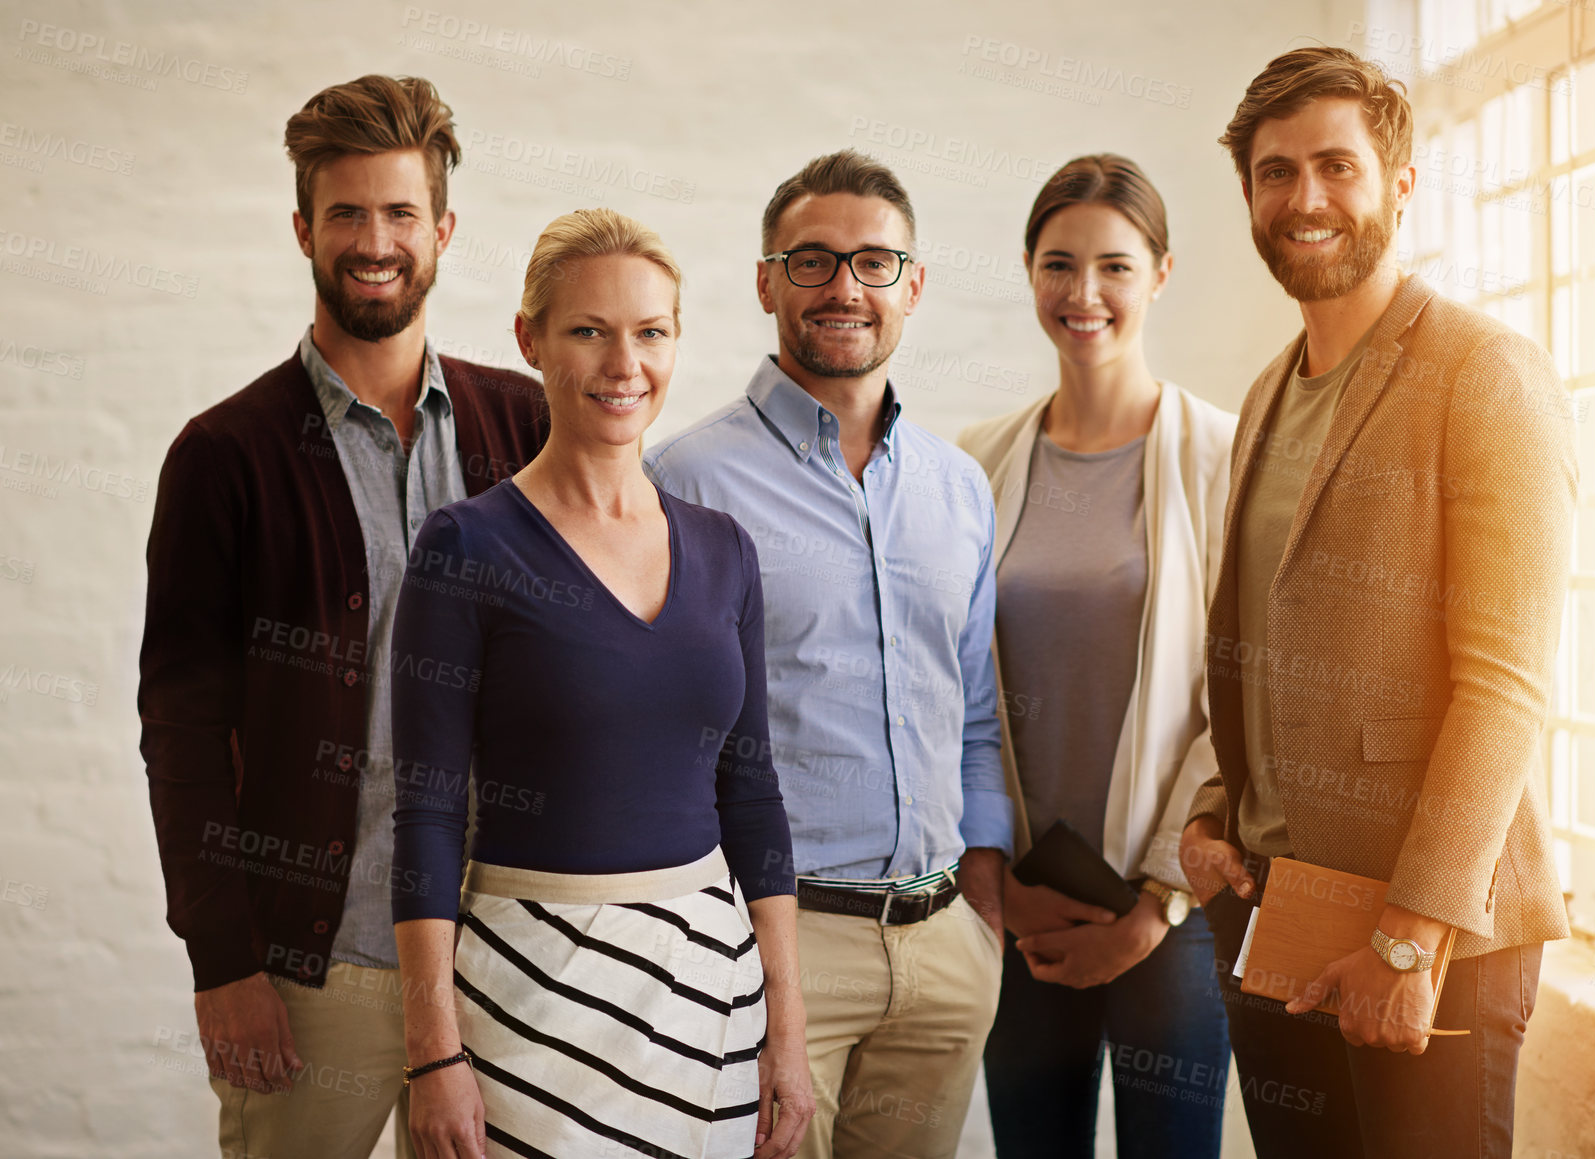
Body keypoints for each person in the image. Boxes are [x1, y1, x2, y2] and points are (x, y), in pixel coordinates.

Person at [137, 74, 547, 1159]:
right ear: (303, 230)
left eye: (400, 212)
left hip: (508, 957)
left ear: (443, 228)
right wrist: (222, 961)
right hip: (321, 966)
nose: (376, 241)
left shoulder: (527, 422)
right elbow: (179, 732)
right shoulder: (225, 456)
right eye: (348, 214)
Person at [1178, 46, 1577, 1159]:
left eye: (1335, 166)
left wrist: (1409, 939)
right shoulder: (1266, 390)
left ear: (1400, 184)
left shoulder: (1485, 373)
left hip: (1428, 933)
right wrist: (1217, 808)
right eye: (1273, 173)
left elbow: (1506, 686)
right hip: (1273, 918)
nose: (1304, 199)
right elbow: (1262, 642)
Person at [390, 207, 815, 1159]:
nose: (624, 362)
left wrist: (783, 1024)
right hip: (530, 979)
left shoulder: (724, 550)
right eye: (589, 330)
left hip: (710, 985)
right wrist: (433, 1054)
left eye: (650, 332)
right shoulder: (466, 546)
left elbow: (752, 797)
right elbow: (421, 811)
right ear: (530, 340)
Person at [643, 150, 1013, 1159]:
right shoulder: (687, 482)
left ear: (914, 286)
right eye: (812, 261)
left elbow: (976, 713)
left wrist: (977, 918)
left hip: (942, 954)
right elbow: (668, 740)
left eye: (874, 262)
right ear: (767, 280)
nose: (845, 286)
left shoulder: (958, 487)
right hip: (779, 946)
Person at [958, 154, 1235, 1158]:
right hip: (1025, 899)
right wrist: (993, 877)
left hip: (1173, 909)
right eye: (1058, 264)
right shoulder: (973, 463)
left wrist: (1157, 903)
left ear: (1161, 273)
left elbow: (1240, 705)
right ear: (1029, 273)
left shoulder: (1223, 455)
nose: (1084, 294)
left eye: (1114, 266)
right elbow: (949, 691)